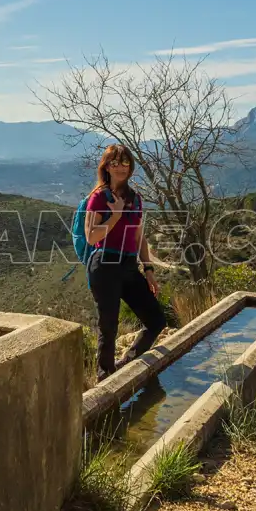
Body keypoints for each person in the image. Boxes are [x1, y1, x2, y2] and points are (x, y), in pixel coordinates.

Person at [84, 144, 170, 381]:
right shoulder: (99, 198)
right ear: (107, 167)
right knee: (108, 326)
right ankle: (105, 379)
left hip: (129, 266)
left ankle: (124, 367)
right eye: (115, 162)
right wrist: (115, 216)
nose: (121, 167)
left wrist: (149, 269)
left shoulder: (135, 198)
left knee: (156, 320)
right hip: (105, 265)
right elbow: (92, 236)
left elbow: (138, 236)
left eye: (125, 162)